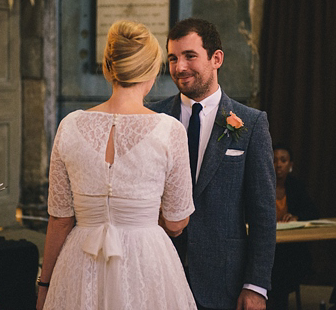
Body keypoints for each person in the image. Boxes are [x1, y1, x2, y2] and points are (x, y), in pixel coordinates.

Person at [36, 20, 197, 310]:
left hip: (80, 263)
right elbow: (176, 222)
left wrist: (45, 285)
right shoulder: (169, 130)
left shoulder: (69, 126)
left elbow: (60, 219)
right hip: (145, 263)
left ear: (109, 69)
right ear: (152, 71)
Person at [149, 18, 276, 310]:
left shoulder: (252, 124)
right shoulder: (151, 118)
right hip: (158, 274)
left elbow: (263, 213)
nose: (179, 67)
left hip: (223, 281)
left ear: (216, 58)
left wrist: (256, 285)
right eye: (172, 58)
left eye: (189, 56)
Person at [268, 144, 318, 310]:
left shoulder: (296, 186)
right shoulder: (261, 186)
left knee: (286, 262)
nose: (279, 164)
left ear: (291, 165)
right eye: (274, 160)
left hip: (290, 248)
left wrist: (297, 218)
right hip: (266, 246)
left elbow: (313, 212)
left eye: (283, 160)